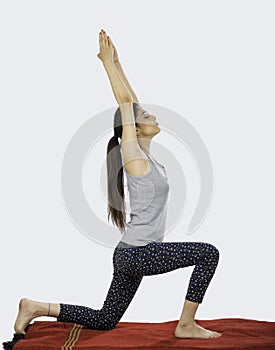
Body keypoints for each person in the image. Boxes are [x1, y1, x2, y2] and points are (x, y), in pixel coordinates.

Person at [13, 29, 222, 339]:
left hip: (129, 253)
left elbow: (132, 102)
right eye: (145, 116)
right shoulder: (132, 154)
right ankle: (186, 325)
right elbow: (127, 103)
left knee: (105, 318)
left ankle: (35, 306)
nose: (152, 114)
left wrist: (118, 61)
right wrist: (107, 66)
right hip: (139, 253)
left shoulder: (145, 153)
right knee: (209, 253)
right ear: (134, 129)